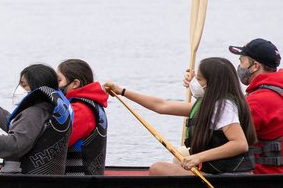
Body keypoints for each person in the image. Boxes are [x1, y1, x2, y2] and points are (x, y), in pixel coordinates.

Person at [104, 56, 255, 175]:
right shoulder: (211, 104)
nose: (194, 82)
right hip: (217, 172)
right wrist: (122, 91)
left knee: (158, 169)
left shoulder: (223, 107)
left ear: (212, 83)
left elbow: (239, 144)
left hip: (227, 176)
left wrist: (198, 157)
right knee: (174, 161)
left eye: (199, 79)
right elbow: (161, 106)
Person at [0, 63, 73, 175]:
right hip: (45, 179)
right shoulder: (49, 109)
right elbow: (16, 125)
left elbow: (15, 145)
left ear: (35, 86)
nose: (21, 90)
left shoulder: (35, 113)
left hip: (25, 181)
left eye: (24, 85)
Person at [229, 38, 283, 174]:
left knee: (168, 168)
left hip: (265, 177)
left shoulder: (259, 101)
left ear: (255, 66)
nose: (239, 67)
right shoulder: (276, 90)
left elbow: (222, 131)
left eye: (242, 61)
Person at [57, 58, 108, 175]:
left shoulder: (80, 110)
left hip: (77, 181)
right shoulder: (91, 104)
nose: (55, 86)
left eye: (59, 80)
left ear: (75, 83)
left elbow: (57, 142)